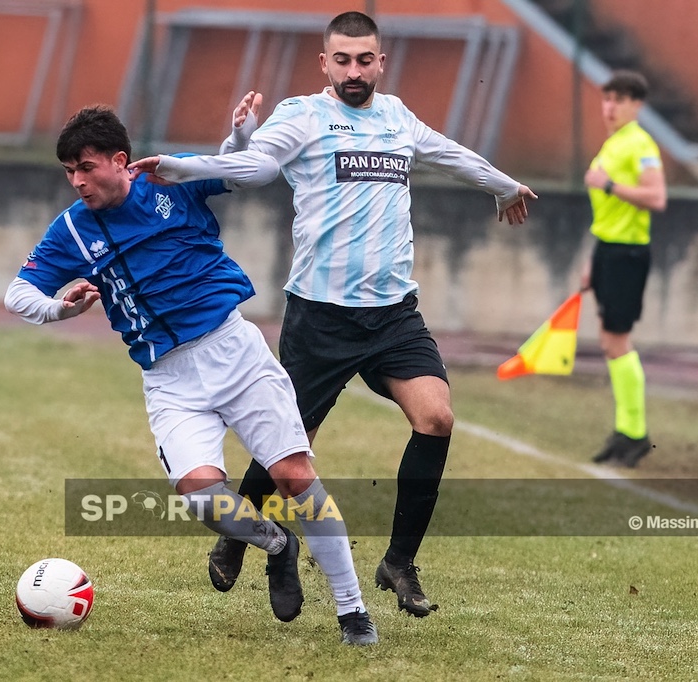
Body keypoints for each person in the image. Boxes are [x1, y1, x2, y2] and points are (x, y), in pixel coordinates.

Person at [140, 11, 536, 618]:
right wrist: (186, 164)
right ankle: (237, 534)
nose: (355, 71)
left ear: (382, 61)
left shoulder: (397, 116)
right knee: (289, 448)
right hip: (320, 318)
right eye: (342, 60)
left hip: (393, 314)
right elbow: (256, 170)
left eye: (365, 59)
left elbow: (450, 154)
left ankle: (399, 561)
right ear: (324, 63)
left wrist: (503, 185)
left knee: (437, 418)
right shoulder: (301, 115)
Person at [5, 105, 378, 645]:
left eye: (86, 166)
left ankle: (353, 613)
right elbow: (18, 292)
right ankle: (278, 545)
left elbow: (240, 169)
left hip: (235, 352)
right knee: (202, 496)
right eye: (69, 171)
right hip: (169, 378)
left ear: (121, 161)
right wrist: (60, 308)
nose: (78, 180)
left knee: (296, 477)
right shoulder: (69, 231)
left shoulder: (170, 180)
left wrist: (237, 133)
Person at [583, 70, 667, 468]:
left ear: (638, 105)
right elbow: (606, 211)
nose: (610, 107)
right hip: (608, 249)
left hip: (628, 253)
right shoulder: (615, 142)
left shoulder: (640, 144)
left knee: (617, 341)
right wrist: (591, 260)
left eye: (619, 99)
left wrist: (610, 185)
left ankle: (634, 433)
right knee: (609, 341)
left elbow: (657, 196)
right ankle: (625, 429)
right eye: (607, 99)